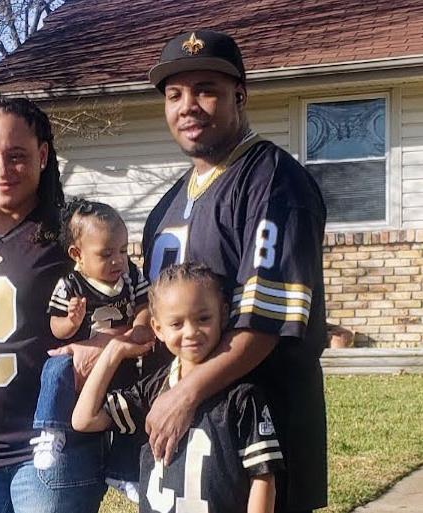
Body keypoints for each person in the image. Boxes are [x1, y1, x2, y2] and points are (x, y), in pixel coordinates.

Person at [141, 30, 327, 513]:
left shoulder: (275, 182)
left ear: (240, 95)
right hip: (191, 451)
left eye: (206, 89)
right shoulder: (167, 204)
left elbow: (263, 327)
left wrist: (184, 396)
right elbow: (156, 317)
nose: (189, 106)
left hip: (262, 444)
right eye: (175, 94)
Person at [0, 96, 107, 513]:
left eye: (17, 156)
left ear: (43, 155)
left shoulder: (71, 234)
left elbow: (127, 304)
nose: (2, 170)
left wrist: (101, 345)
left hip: (52, 441)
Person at [73, 262, 284, 513]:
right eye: (176, 324)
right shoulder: (153, 390)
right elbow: (83, 419)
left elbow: (262, 476)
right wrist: (113, 351)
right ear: (157, 329)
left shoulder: (241, 397)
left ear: (223, 314)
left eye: (203, 318)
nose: (191, 332)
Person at [32, 199, 150, 501]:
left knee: (129, 410)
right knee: (54, 368)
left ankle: (122, 473)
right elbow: (55, 328)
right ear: (77, 255)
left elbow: (144, 306)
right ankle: (50, 430)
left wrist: (138, 327)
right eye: (106, 254)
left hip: (118, 362)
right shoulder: (70, 285)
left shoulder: (132, 277)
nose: (118, 261)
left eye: (122, 251)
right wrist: (70, 321)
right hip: (78, 363)